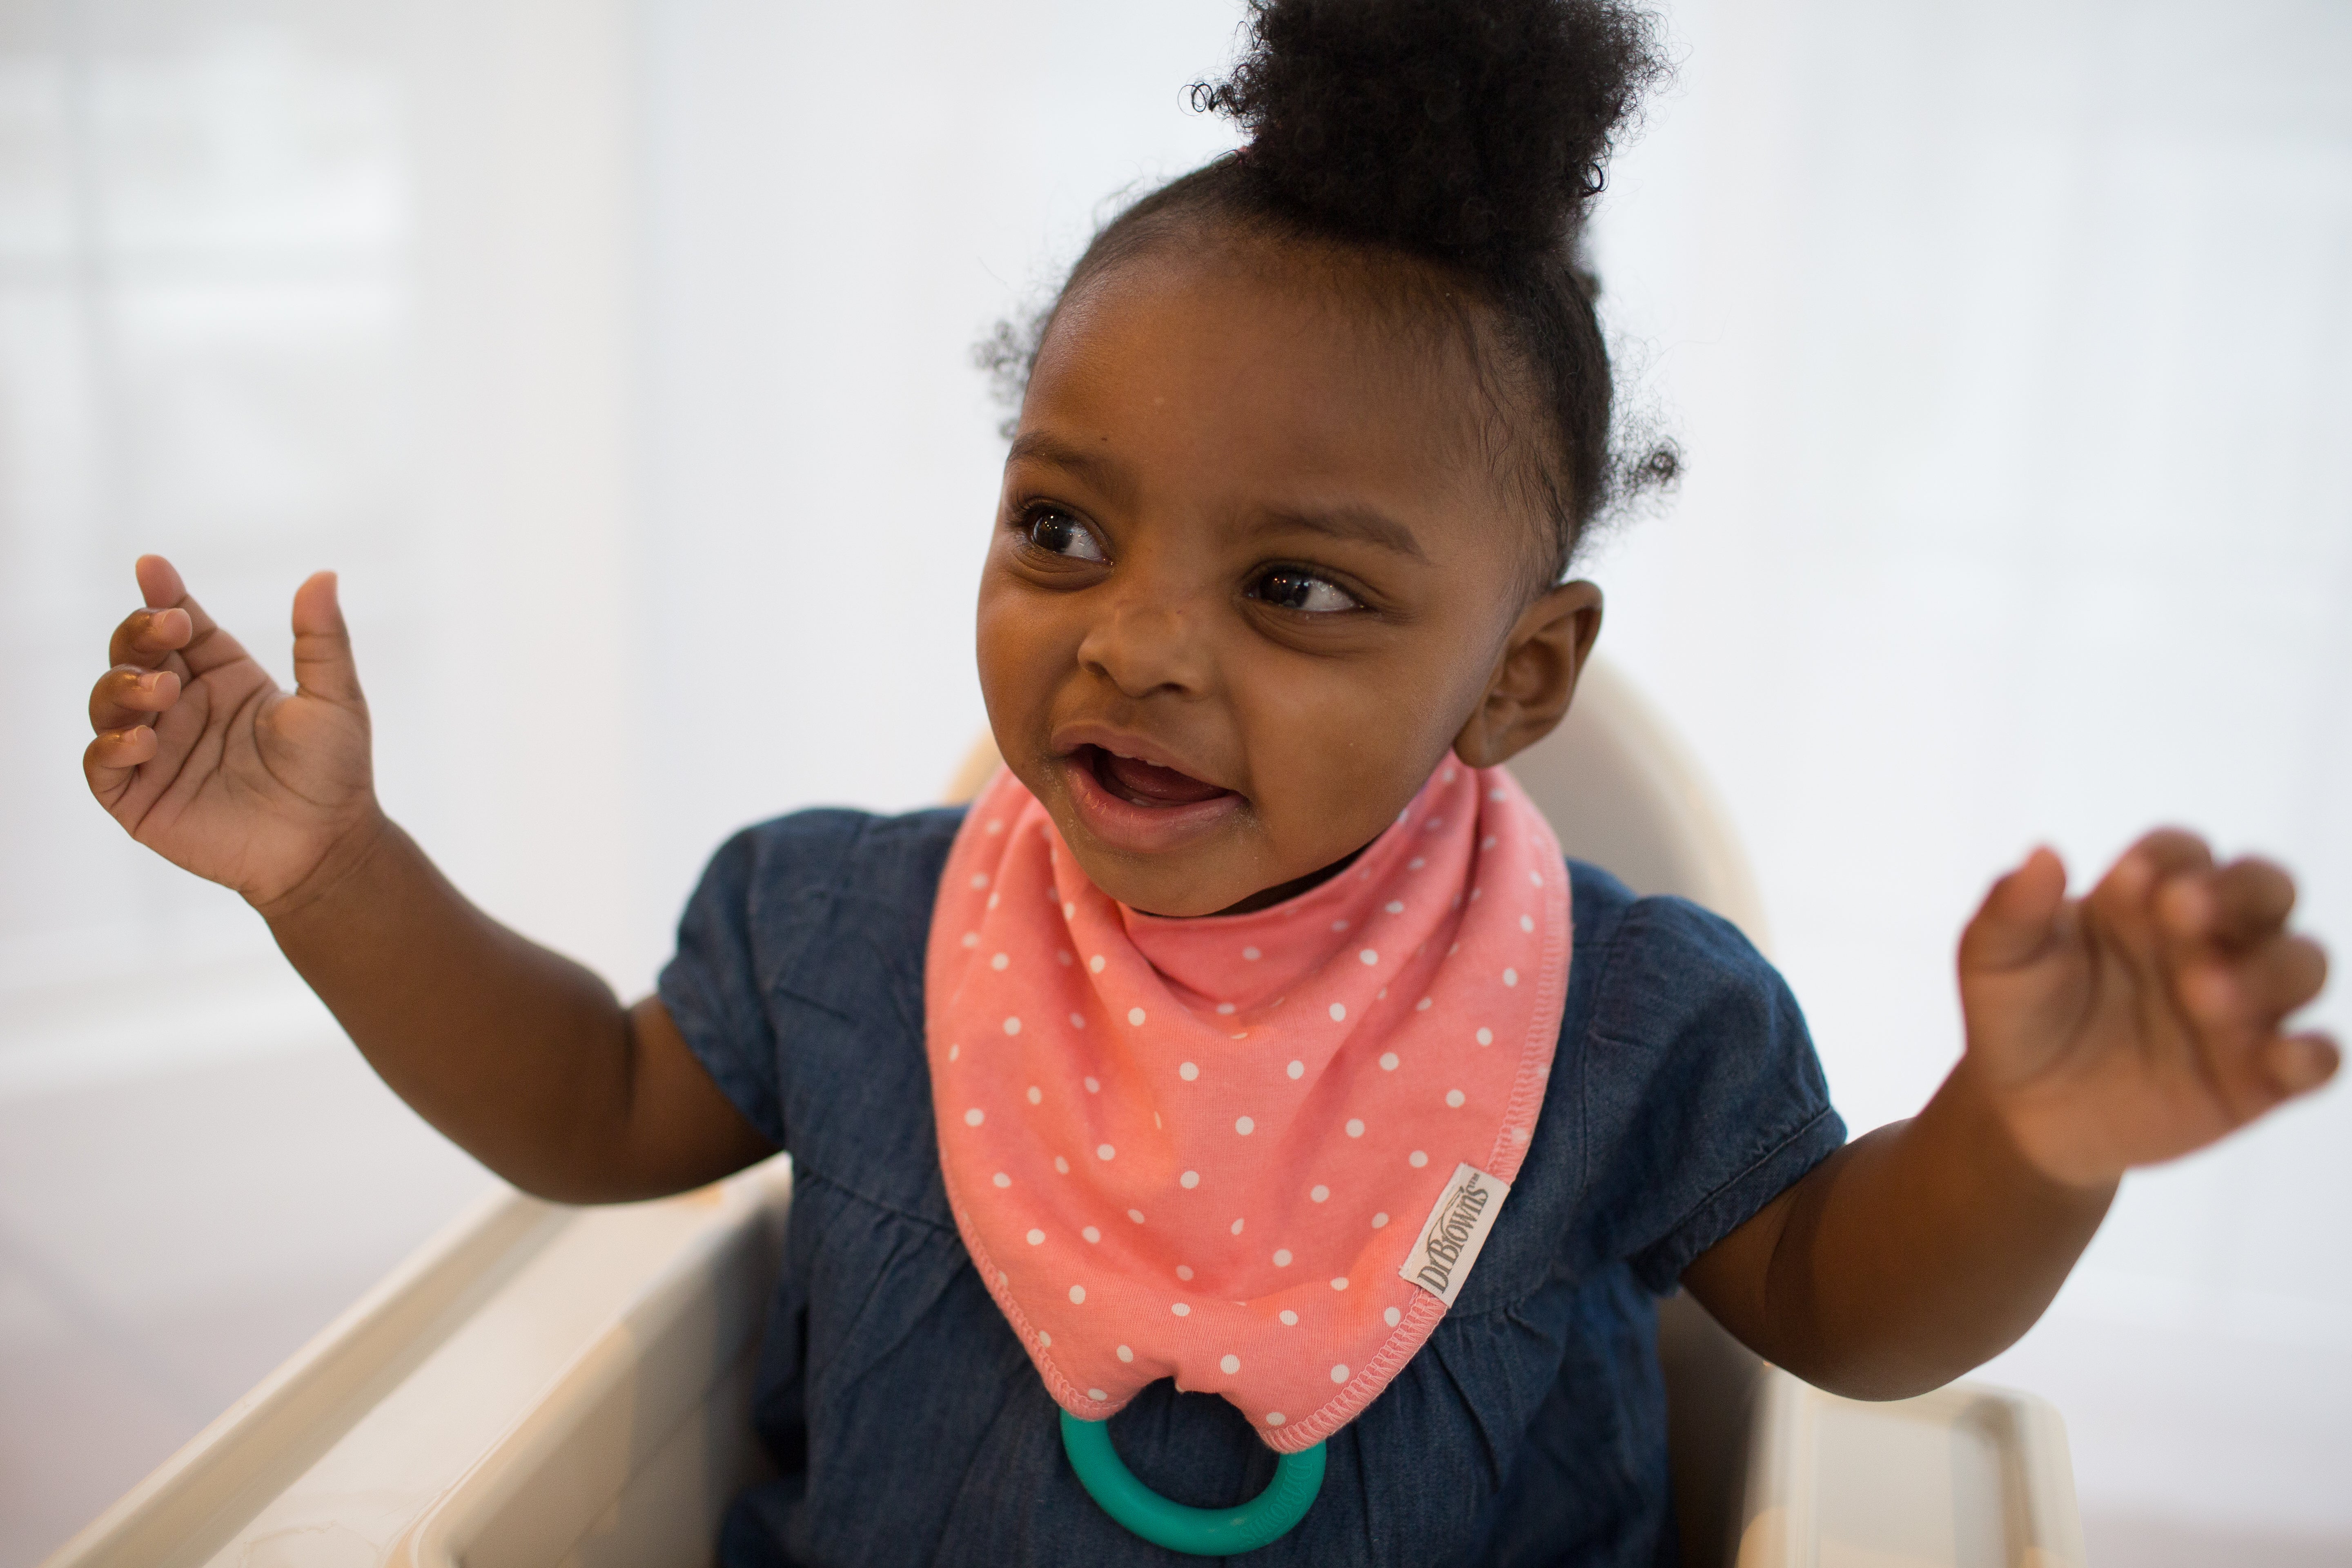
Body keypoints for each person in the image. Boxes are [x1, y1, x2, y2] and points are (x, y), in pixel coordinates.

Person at [78, 0, 2334, 1562]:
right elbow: (588, 1106)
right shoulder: (852, 931)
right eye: (1063, 527)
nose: (1135, 640)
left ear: (1519, 676)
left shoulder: (1635, 1027)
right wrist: (332, 872)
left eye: (1301, 591)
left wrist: (2034, 1146)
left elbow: (1853, 1313)